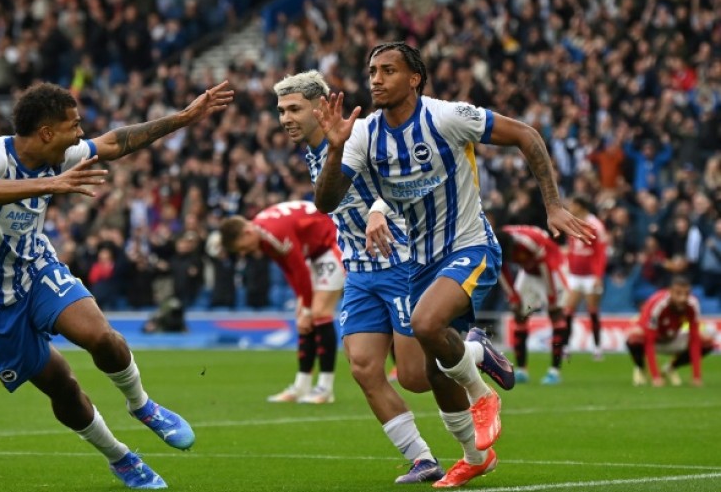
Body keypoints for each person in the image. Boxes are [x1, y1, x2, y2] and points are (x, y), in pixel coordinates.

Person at [313, 42, 594, 488]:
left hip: (471, 245)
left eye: (388, 70)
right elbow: (326, 201)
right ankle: (473, 452)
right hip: (419, 261)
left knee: (426, 324)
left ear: (415, 78)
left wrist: (553, 205)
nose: (377, 79)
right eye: (372, 71)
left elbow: (526, 134)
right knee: (427, 374)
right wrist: (334, 150)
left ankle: (482, 397)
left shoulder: (447, 116)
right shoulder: (364, 134)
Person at [0, 81, 233, 489]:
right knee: (62, 385)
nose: (81, 133)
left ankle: (143, 405)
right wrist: (51, 184)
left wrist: (185, 117)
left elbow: (116, 142)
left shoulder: (60, 154)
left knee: (102, 337)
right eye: (74, 125)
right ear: (47, 132)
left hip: (35, 269)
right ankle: (120, 457)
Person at [272, 70, 447, 483]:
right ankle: (423, 458)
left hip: (401, 261)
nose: (285, 118)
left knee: (415, 378)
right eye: (281, 111)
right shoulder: (317, 153)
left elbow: (409, 179)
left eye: (294, 109)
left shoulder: (363, 136)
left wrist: (378, 210)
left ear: (321, 108)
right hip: (359, 271)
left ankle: (472, 348)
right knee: (365, 368)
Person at [219, 200, 341, 405]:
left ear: (247, 232)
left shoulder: (272, 233)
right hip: (314, 253)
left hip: (331, 245)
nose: (243, 252)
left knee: (319, 313)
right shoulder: (262, 233)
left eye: (242, 247)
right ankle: (302, 386)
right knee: (303, 315)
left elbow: (299, 268)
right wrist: (302, 302)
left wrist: (308, 309)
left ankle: (325, 388)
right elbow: (288, 268)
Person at [495, 225, 570, 385]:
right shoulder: (494, 243)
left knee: (555, 314)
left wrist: (551, 298)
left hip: (552, 269)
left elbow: (546, 267)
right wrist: (513, 297)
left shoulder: (528, 243)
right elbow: (500, 268)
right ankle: (522, 370)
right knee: (520, 315)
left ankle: (554, 372)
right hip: (529, 272)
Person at [626, 275, 714, 387]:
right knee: (634, 338)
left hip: (673, 338)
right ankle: (641, 368)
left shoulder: (693, 304)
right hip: (653, 340)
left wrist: (696, 377)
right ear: (670, 292)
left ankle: (670, 368)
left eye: (686, 294)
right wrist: (655, 377)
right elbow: (649, 341)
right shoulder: (658, 304)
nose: (682, 298)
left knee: (707, 342)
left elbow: (694, 340)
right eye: (678, 293)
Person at [562, 196, 609, 360]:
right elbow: (572, 247)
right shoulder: (571, 222)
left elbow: (601, 252)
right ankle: (566, 347)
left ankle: (597, 348)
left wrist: (598, 275)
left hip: (590, 276)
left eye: (573, 204)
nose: (570, 207)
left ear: (580, 206)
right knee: (568, 311)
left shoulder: (595, 225)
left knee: (593, 311)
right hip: (575, 274)